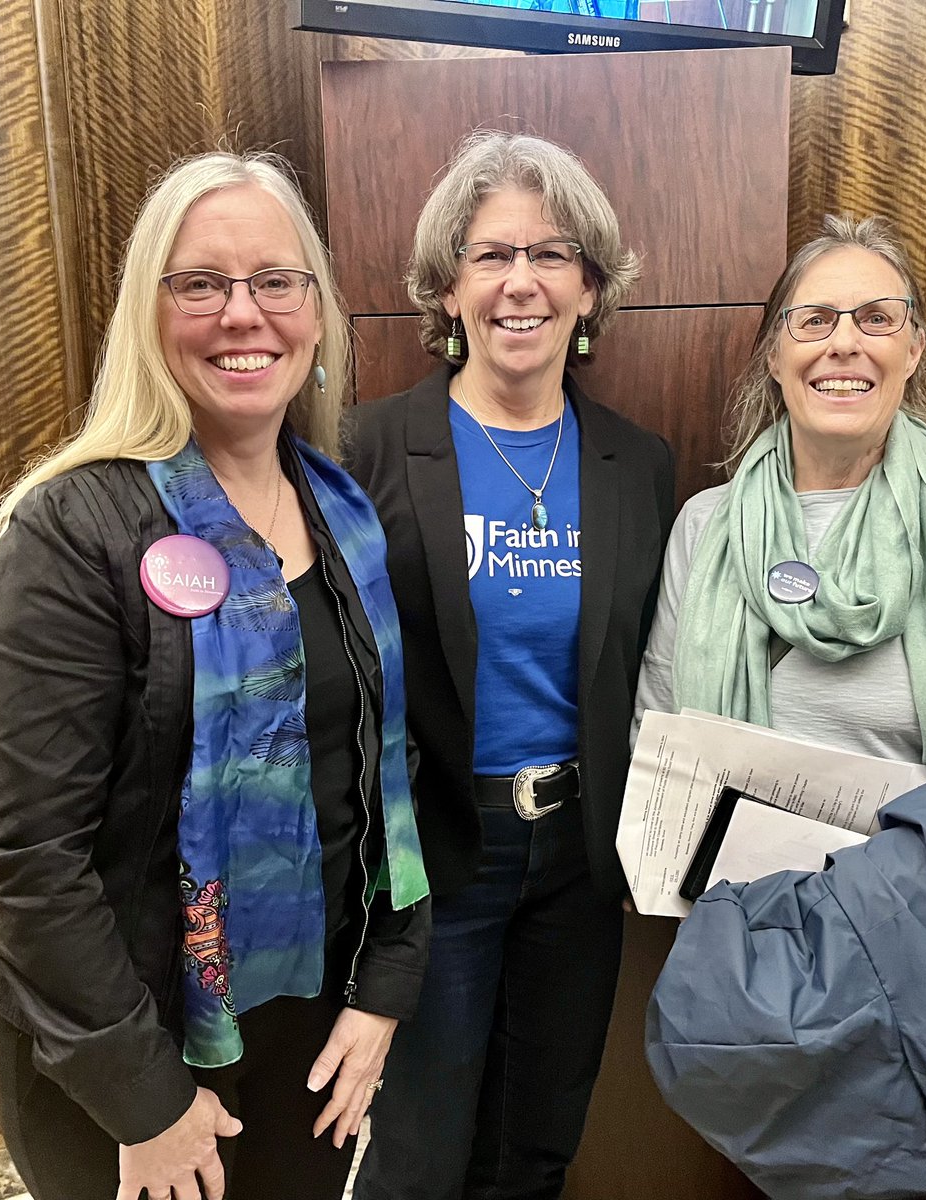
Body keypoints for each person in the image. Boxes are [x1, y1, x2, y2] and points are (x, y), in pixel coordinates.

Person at [0, 150, 429, 1200]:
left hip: (312, 1025)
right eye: (201, 284)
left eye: (276, 281)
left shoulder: (343, 514)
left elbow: (376, 782)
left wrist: (383, 991)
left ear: (315, 316)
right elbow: (35, 864)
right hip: (128, 1055)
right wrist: (145, 1101)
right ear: (151, 312)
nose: (244, 313)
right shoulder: (72, 529)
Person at [348, 131, 674, 1200]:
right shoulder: (370, 450)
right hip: (437, 857)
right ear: (446, 289)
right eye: (489, 256)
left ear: (592, 287)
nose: (520, 282)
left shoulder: (638, 464)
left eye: (551, 254)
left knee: (537, 1143)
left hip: (579, 858)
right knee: (418, 1149)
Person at [635, 213, 926, 889]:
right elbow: (662, 742)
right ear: (775, 356)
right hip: (755, 926)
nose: (844, 343)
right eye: (814, 320)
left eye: (875, 318)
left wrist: (862, 900)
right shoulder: (705, 527)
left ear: (914, 349)